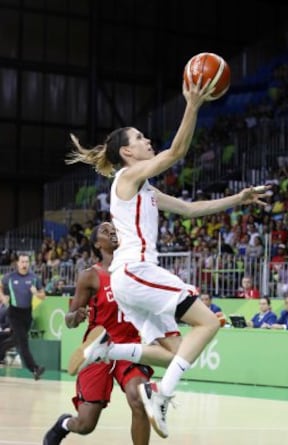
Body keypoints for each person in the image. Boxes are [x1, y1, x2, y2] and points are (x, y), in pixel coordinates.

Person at [65, 74, 269, 438]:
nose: (147, 141)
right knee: (206, 324)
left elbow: (191, 210)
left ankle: (109, 351)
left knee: (178, 352)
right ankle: (160, 393)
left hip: (132, 281)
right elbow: (175, 153)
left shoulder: (145, 187)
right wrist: (192, 104)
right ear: (128, 152)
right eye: (140, 138)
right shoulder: (128, 176)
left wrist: (238, 199)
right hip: (137, 270)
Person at [43, 222, 172, 445]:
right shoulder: (90, 276)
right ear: (96, 244)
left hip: (129, 347)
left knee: (139, 398)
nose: (112, 231)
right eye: (105, 231)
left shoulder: (136, 271)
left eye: (114, 229)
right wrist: (76, 316)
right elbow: (70, 319)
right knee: (85, 425)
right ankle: (64, 424)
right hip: (98, 348)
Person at [0, 253, 46, 379]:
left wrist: (36, 293)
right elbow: (1, 286)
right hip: (14, 313)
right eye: (22, 262)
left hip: (27, 314)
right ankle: (35, 369)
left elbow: (43, 295)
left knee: (16, 340)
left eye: (26, 262)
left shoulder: (34, 278)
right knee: (23, 342)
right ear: (18, 263)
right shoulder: (10, 277)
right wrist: (3, 297)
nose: (24, 264)